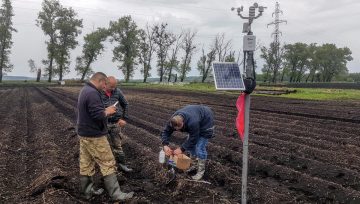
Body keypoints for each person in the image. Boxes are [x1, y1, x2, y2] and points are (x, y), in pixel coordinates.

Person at [76, 72, 134, 201]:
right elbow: (97, 115)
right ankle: (116, 195)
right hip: (94, 135)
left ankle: (88, 191)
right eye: (104, 84)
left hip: (84, 133)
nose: (104, 87)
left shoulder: (85, 90)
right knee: (108, 162)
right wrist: (107, 111)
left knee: (86, 163)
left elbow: (93, 111)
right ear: (101, 81)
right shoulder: (92, 93)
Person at [160, 105, 215, 180]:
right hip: (195, 115)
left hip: (206, 120)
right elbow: (166, 132)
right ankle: (195, 165)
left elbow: (194, 138)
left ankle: (200, 172)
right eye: (176, 129)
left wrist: (181, 149)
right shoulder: (172, 121)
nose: (178, 130)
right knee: (190, 146)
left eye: (180, 129)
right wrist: (165, 145)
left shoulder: (192, 122)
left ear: (183, 122)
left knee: (199, 147)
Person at [101, 76, 132, 172]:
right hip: (103, 124)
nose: (113, 89)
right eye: (111, 87)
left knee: (117, 146)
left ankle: (122, 165)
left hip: (115, 124)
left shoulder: (117, 92)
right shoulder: (98, 93)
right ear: (105, 84)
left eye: (115, 87)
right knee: (104, 147)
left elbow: (125, 104)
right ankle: (107, 169)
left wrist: (123, 118)